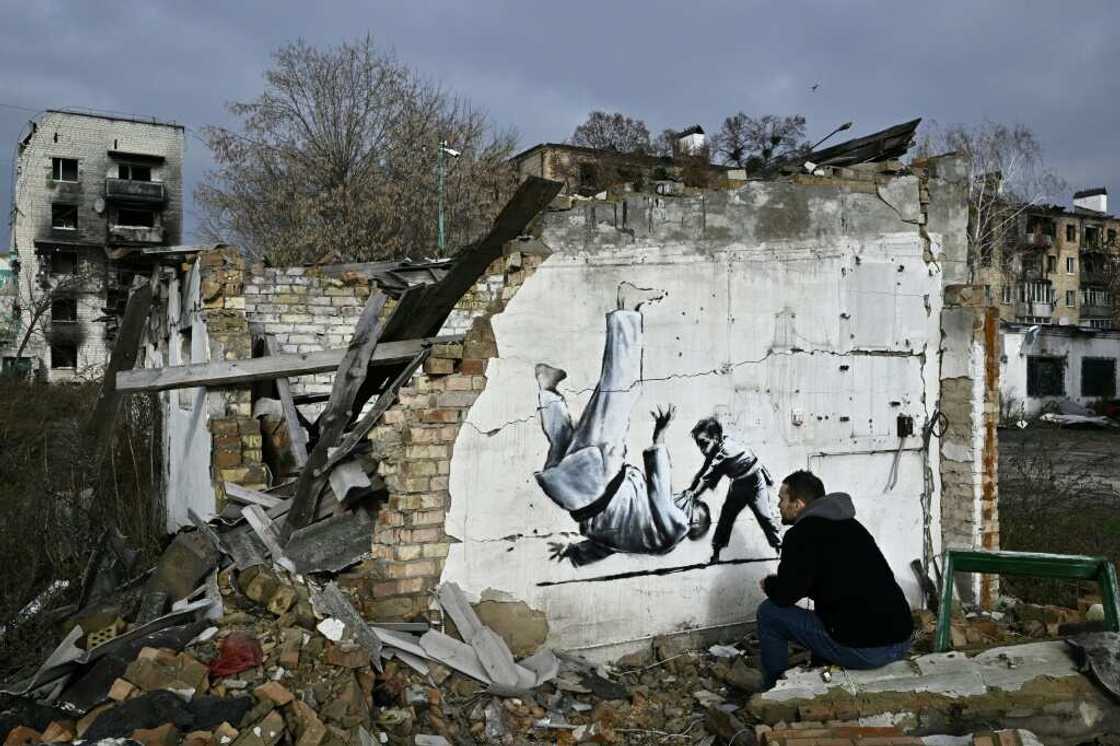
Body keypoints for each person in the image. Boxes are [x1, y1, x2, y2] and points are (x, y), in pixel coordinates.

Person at [535, 282, 710, 567]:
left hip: (602, 480)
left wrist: (659, 438)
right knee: (566, 441)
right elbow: (605, 547)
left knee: (621, 390)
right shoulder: (644, 540)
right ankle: (547, 388)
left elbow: (659, 490)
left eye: (691, 506)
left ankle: (627, 309)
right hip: (568, 495)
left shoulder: (677, 527)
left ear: (693, 522)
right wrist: (573, 553)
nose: (685, 498)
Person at [756, 470, 913, 689]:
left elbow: (785, 596)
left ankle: (774, 688)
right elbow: (837, 582)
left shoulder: (800, 535)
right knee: (833, 615)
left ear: (798, 504)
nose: (779, 505)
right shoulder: (852, 526)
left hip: (867, 652)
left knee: (769, 612)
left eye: (782, 499)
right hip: (902, 641)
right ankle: (824, 663)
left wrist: (769, 584)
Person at [680, 417, 782, 563]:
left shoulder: (725, 451)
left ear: (715, 438)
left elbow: (707, 476)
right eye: (699, 445)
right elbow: (703, 471)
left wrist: (695, 493)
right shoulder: (717, 448)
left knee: (765, 517)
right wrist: (690, 489)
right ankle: (716, 553)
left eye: (704, 443)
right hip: (739, 484)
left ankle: (780, 547)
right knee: (726, 517)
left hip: (754, 482)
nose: (702, 449)